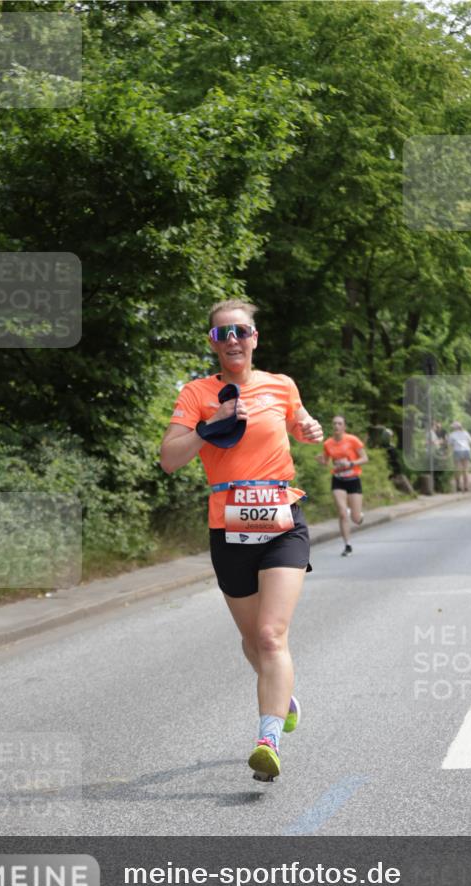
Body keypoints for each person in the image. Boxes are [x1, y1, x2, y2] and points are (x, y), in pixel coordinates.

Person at [160, 299, 323, 781]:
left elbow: (300, 423)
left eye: (241, 331)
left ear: (254, 338)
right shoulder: (197, 394)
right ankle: (283, 693)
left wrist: (309, 428)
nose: (232, 340)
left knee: (272, 635)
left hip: (281, 522)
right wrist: (208, 430)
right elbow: (170, 458)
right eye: (221, 334)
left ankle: (267, 738)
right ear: (212, 344)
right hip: (228, 527)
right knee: (252, 641)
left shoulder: (281, 385)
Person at [317, 415, 368, 556]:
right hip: (338, 479)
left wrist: (351, 464)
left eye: (339, 424)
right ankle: (347, 545)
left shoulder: (352, 440)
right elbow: (327, 462)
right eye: (334, 424)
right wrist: (321, 460)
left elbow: (365, 458)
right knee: (342, 512)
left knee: (356, 519)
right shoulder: (328, 443)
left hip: (353, 479)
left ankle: (357, 515)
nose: (336, 426)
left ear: (344, 427)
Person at [447, 421, 471, 492]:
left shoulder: (452, 434)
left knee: (457, 469)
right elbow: (470, 441)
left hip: (457, 451)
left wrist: (448, 453)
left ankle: (458, 486)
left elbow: (450, 444)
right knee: (466, 469)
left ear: (454, 428)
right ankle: (466, 486)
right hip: (466, 450)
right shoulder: (465, 433)